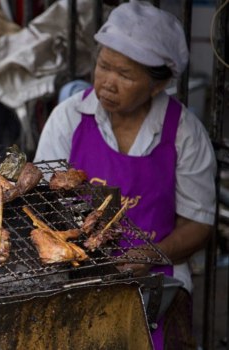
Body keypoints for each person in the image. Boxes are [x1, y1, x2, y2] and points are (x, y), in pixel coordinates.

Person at [34, 1, 216, 349]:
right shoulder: (68, 118)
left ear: (156, 86)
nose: (107, 84)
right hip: (77, 268)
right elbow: (41, 201)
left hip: (158, 274)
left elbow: (198, 225)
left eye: (126, 75)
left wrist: (148, 255)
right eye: (103, 66)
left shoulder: (184, 133)